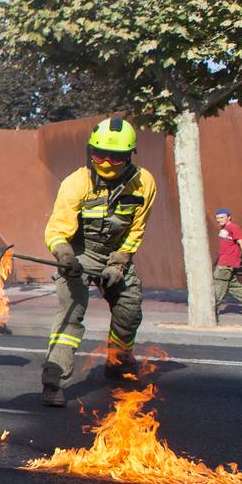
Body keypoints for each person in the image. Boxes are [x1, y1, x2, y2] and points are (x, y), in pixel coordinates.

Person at [40, 117, 157, 407]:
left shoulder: (144, 183)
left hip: (116, 254)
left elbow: (136, 229)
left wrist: (119, 263)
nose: (105, 161)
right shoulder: (76, 182)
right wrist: (65, 257)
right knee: (71, 312)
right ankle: (53, 381)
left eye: (114, 157)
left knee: (129, 308)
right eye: (99, 154)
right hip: (80, 253)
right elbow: (57, 230)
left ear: (129, 155)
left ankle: (119, 362)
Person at [212, 208, 242, 313]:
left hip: (226, 264)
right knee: (235, 288)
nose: (219, 220)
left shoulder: (233, 228)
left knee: (218, 285)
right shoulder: (224, 229)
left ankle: (212, 311)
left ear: (229, 217)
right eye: (217, 218)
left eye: (222, 217)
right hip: (225, 263)